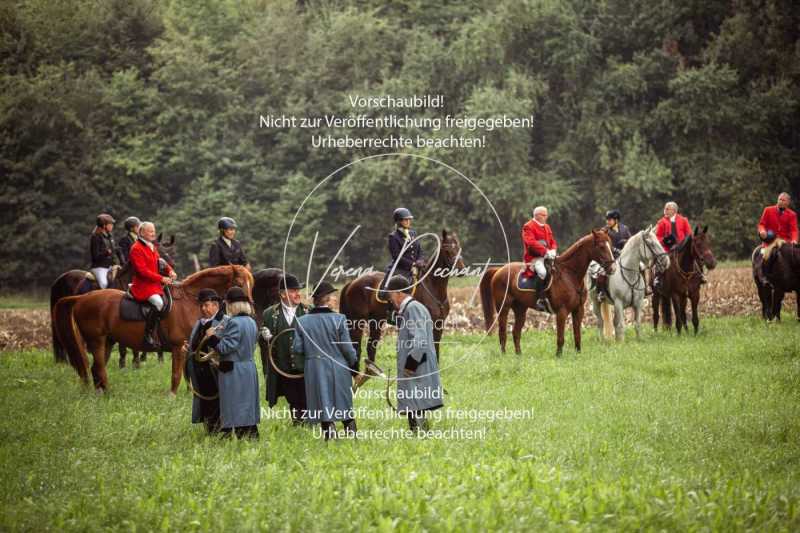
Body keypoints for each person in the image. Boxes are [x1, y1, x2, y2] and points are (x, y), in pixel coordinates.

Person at [292, 281, 358, 441]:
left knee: (321, 401)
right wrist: (354, 364)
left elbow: (297, 349)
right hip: (338, 365)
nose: (335, 299)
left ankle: (329, 437)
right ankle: (352, 437)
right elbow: (347, 348)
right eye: (333, 297)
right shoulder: (340, 319)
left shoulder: (302, 321)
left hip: (314, 367)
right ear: (327, 300)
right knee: (343, 401)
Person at [383, 275, 444, 432]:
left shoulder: (413, 308)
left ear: (398, 293)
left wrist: (410, 365)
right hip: (417, 364)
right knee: (414, 402)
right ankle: (419, 435)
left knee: (416, 402)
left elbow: (420, 339)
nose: (389, 299)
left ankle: (421, 435)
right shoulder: (410, 308)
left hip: (417, 365)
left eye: (390, 294)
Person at [204, 286, 260, 439]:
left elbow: (225, 347)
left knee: (234, 402)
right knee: (246, 402)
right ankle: (249, 432)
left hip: (235, 369)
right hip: (248, 367)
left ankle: (236, 432)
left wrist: (212, 337)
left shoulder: (234, 323)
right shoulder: (251, 321)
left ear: (231, 305)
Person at [260, 274, 309, 425]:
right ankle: (298, 423)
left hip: (305, 366)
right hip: (283, 367)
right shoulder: (269, 314)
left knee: (306, 396)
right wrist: (264, 337)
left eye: (298, 290)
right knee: (292, 398)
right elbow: (264, 345)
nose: (298, 294)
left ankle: (308, 422)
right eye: (294, 290)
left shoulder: (309, 311)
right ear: (282, 294)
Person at [129, 221, 177, 349]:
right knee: (159, 303)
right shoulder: (136, 248)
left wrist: (170, 270)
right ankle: (148, 335)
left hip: (154, 284)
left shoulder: (151, 246)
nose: (153, 233)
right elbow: (142, 271)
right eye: (150, 231)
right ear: (142, 232)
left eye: (154, 231)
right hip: (143, 286)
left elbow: (159, 261)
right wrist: (162, 278)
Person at [183, 288, 224, 434]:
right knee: (205, 399)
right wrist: (188, 348)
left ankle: (220, 429)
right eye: (202, 306)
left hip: (214, 369)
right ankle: (209, 428)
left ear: (216, 305)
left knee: (217, 400)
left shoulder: (222, 323)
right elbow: (194, 344)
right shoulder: (199, 323)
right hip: (199, 369)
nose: (204, 309)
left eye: (207, 305)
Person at [589, 210, 632, 300]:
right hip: (611, 257)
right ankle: (601, 292)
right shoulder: (604, 231)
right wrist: (617, 250)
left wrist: (626, 242)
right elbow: (604, 246)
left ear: (616, 220)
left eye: (610, 220)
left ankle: (644, 289)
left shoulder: (625, 228)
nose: (607, 221)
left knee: (641, 266)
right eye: (607, 219)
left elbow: (630, 240)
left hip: (625, 256)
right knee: (601, 272)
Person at [521, 206, 557, 312]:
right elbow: (531, 242)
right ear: (537, 215)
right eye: (544, 215)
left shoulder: (547, 227)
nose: (546, 217)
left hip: (548, 256)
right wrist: (545, 251)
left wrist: (553, 250)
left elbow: (552, 241)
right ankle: (539, 299)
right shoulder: (528, 226)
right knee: (542, 272)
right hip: (534, 258)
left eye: (546, 215)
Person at [653, 201, 693, 291]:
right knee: (661, 261)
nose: (665, 211)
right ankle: (658, 278)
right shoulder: (661, 222)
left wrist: (685, 242)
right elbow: (657, 237)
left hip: (682, 248)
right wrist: (664, 240)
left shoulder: (684, 220)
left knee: (693, 258)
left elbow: (689, 234)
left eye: (667, 209)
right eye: (665, 209)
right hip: (667, 249)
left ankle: (700, 276)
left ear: (674, 210)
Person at [384, 207, 425, 286]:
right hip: (401, 270)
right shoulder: (393, 237)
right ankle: (384, 292)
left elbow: (420, 251)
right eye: (405, 220)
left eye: (409, 219)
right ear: (398, 221)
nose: (408, 221)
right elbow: (396, 256)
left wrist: (420, 260)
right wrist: (412, 264)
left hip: (417, 268)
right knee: (390, 288)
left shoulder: (413, 233)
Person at [89, 213, 118, 289]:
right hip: (99, 267)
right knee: (104, 284)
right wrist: (106, 253)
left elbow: (113, 253)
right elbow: (95, 256)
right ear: (104, 225)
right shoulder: (95, 237)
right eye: (110, 224)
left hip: (110, 266)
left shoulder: (110, 236)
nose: (112, 226)